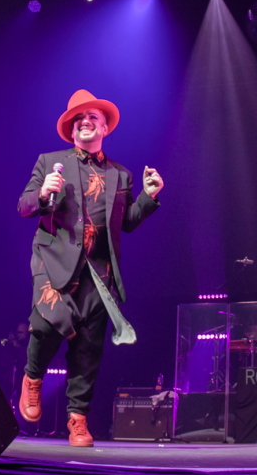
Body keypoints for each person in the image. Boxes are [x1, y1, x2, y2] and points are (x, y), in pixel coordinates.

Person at [17, 89, 164, 446]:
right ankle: (32, 379)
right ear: (72, 129)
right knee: (46, 324)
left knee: (88, 348)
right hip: (54, 260)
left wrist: (148, 196)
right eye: (79, 119)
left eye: (92, 117)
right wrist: (42, 194)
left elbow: (126, 223)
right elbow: (24, 206)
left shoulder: (120, 175)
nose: (85, 122)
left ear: (104, 128)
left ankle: (78, 419)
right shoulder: (50, 161)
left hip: (98, 272)